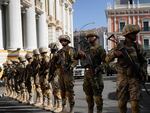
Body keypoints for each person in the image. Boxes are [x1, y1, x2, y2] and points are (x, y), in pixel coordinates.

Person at [105, 24, 147, 113]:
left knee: (135, 104)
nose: (135, 35)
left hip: (134, 78)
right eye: (133, 33)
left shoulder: (137, 47)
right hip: (122, 78)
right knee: (121, 104)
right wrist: (115, 56)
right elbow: (107, 60)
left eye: (136, 33)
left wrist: (143, 71)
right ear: (127, 34)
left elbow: (144, 61)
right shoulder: (118, 47)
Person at [76, 32, 106, 113]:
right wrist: (79, 53)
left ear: (96, 37)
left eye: (91, 36)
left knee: (97, 97)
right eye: (88, 37)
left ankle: (99, 111)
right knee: (88, 96)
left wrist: (98, 68)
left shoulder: (100, 49)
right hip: (87, 74)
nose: (89, 38)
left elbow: (106, 62)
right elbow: (75, 57)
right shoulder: (85, 49)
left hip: (96, 74)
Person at [57, 35, 77, 113]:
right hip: (61, 73)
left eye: (64, 40)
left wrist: (71, 67)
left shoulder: (71, 50)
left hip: (68, 73)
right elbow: (57, 63)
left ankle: (71, 108)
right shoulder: (59, 52)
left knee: (70, 91)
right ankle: (64, 107)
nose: (62, 42)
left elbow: (75, 61)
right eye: (61, 41)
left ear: (68, 41)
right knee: (62, 91)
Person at [49, 42, 62, 112]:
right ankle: (56, 105)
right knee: (54, 91)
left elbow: (59, 65)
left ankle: (60, 105)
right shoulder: (53, 56)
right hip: (53, 75)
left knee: (57, 90)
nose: (50, 50)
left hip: (56, 75)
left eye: (51, 48)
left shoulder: (58, 55)